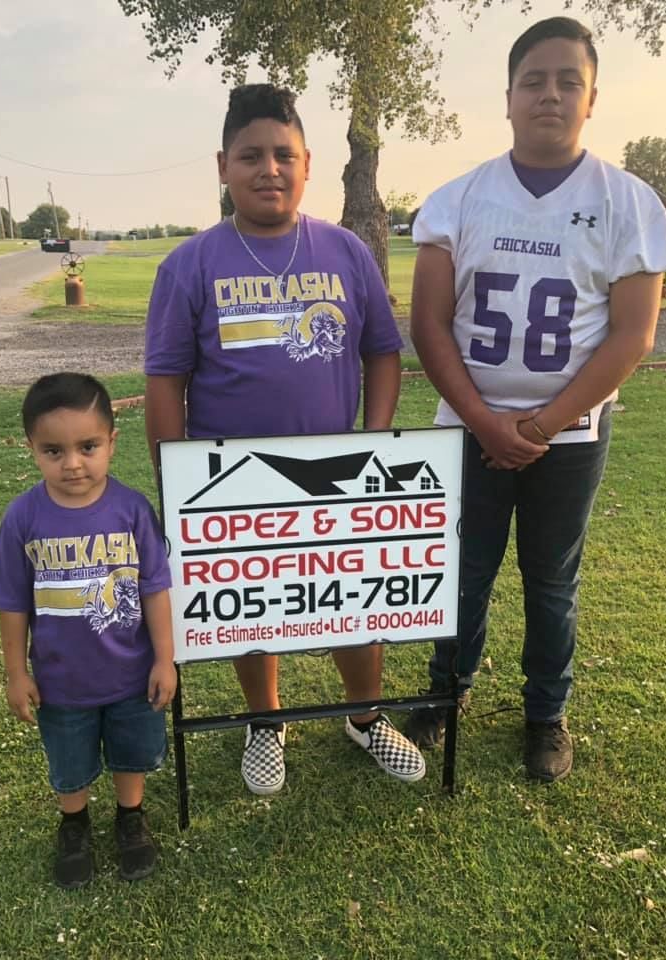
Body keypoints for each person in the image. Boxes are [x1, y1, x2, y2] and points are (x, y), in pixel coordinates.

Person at [406, 17, 666, 782]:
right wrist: (487, 421)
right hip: (468, 423)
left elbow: (632, 337)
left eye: (568, 81)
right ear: (509, 96)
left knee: (553, 579)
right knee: (463, 571)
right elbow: (429, 323)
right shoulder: (459, 199)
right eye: (534, 80)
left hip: (572, 434)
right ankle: (445, 690)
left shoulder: (629, 203)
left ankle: (545, 713)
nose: (549, 95)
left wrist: (542, 424)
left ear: (592, 98)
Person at [144, 83, 425, 795]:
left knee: (352, 603)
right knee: (251, 610)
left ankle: (364, 717)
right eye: (250, 156)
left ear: (308, 163)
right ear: (222, 165)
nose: (268, 169)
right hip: (233, 480)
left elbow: (382, 352)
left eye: (283, 155)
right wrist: (179, 485)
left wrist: (378, 441)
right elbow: (165, 382)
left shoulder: (347, 251)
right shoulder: (190, 264)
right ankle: (264, 722)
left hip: (337, 473)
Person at [0, 373, 177, 889]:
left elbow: (156, 588)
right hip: (61, 682)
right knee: (69, 762)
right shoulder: (23, 518)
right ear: (31, 449)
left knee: (131, 750)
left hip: (132, 675)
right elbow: (10, 602)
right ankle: (74, 823)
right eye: (53, 451)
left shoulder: (133, 510)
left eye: (87, 446)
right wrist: (15, 673)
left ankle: (130, 817)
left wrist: (164, 658)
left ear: (112, 442)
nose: (72, 463)